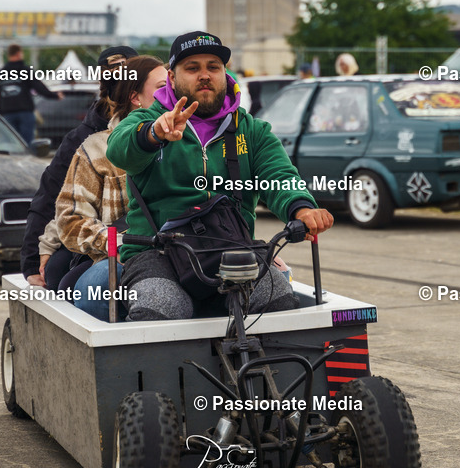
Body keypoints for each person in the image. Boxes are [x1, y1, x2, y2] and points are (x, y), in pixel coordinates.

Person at [106, 31, 334, 321]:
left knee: (275, 299)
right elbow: (119, 149)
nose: (205, 75)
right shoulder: (144, 120)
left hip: (232, 249)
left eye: (213, 67)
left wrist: (302, 208)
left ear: (225, 74)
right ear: (172, 78)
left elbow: (279, 175)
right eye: (192, 68)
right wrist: (153, 134)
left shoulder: (253, 130)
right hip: (157, 253)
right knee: (160, 308)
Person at [34, 57, 166, 318]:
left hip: (184, 251)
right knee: (90, 287)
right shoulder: (95, 148)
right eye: (163, 87)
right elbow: (67, 215)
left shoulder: (197, 140)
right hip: (119, 254)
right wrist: (119, 245)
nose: (172, 94)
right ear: (135, 98)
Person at [21, 46, 138, 287]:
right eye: (113, 77)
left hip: (131, 237)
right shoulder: (82, 139)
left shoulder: (162, 128)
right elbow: (53, 196)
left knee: (76, 282)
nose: (121, 86)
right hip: (94, 234)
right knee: (56, 273)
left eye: (127, 77)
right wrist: (33, 259)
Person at [0, 43, 61, 144]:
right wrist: (55, 95)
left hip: (7, 113)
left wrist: (0, 112)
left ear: (9, 55)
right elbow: (39, 87)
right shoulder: (25, 71)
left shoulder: (1, 73)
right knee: (26, 144)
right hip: (24, 112)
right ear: (19, 54)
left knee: (11, 143)